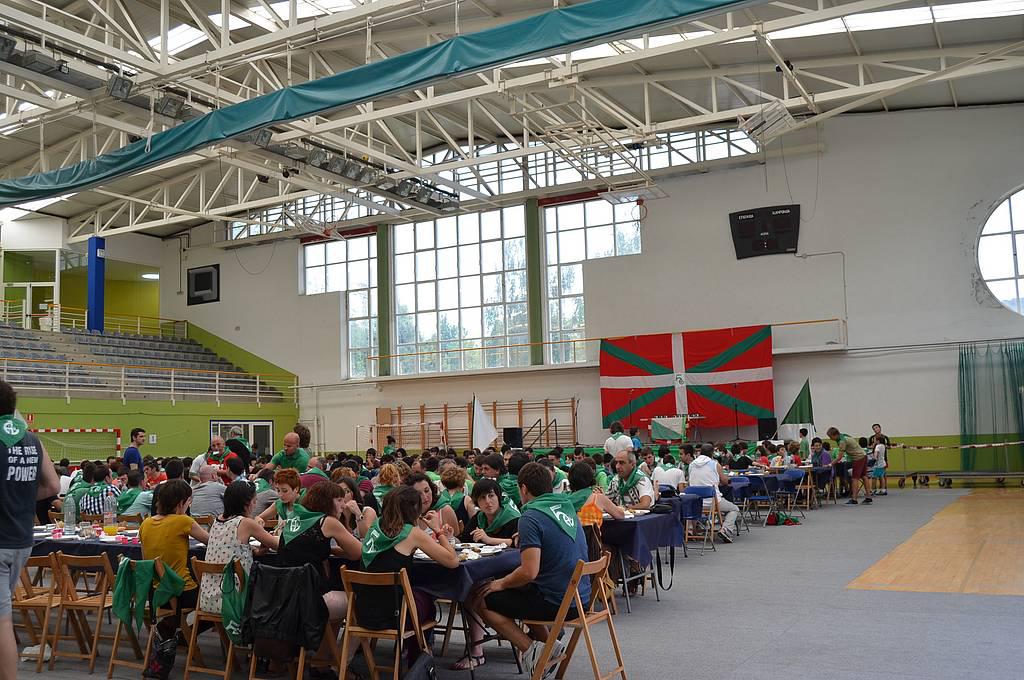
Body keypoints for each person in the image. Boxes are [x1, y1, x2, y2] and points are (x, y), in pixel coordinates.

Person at [467, 463, 588, 678]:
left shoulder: (531, 517)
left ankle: (532, 650)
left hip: (558, 603)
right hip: (581, 597)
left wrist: (500, 583)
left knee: (482, 598)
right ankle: (549, 645)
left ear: (523, 489)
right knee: (521, 589)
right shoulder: (565, 506)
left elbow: (529, 572)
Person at [356, 486, 457, 668]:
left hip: (362, 612)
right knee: (426, 600)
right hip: (395, 615)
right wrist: (438, 530)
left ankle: (411, 656)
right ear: (414, 509)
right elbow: (452, 561)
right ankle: (416, 665)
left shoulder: (374, 527)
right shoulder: (411, 532)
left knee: (414, 595)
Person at [0, 382, 58, 680]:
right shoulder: (32, 440)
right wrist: (18, 499)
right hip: (21, 539)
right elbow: (52, 485)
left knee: (1, 622)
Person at [139, 480, 210, 640]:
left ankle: (173, 629)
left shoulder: (146, 523)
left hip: (156, 593)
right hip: (181, 591)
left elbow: (145, 560)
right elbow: (212, 542)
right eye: (189, 502)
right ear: (181, 503)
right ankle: (184, 636)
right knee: (217, 602)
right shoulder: (183, 521)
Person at [200, 481, 279, 614]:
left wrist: (255, 551)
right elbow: (277, 545)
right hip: (236, 599)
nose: (255, 505)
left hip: (208, 599)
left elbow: (229, 547)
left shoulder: (217, 521)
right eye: (254, 501)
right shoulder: (246, 523)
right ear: (246, 504)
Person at [680, 444, 740, 543]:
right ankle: (725, 530)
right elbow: (724, 481)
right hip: (713, 502)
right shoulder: (715, 464)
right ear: (712, 453)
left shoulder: (692, 465)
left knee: (693, 505)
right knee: (734, 509)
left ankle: (690, 530)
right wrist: (726, 480)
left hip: (696, 502)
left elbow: (691, 482)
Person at [461, 479, 520, 546]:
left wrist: (488, 540)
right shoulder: (479, 518)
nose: (487, 501)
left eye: (491, 496)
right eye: (483, 497)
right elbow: (464, 540)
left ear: (498, 497)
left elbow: (517, 543)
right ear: (477, 502)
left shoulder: (512, 517)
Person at [827, 427, 872, 505]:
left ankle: (854, 499)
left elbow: (839, 457)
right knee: (864, 476)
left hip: (858, 458)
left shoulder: (842, 441)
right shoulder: (844, 435)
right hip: (863, 455)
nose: (830, 439)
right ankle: (868, 497)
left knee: (855, 478)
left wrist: (830, 464)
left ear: (835, 435)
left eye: (830, 437)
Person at [407, 472, 459, 537]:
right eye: (418, 494)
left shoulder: (445, 510)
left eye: (426, 490)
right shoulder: (406, 515)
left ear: (431, 489)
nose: (425, 497)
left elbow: (458, 539)